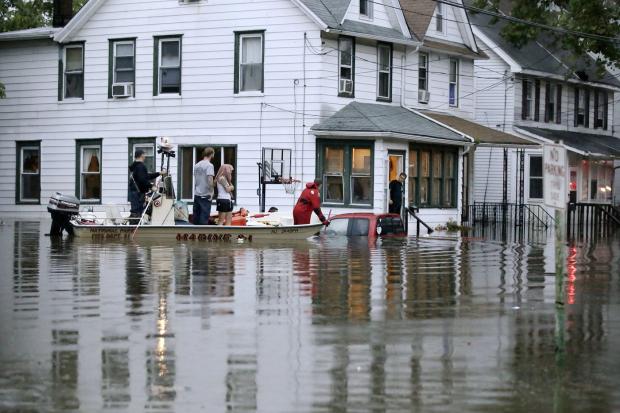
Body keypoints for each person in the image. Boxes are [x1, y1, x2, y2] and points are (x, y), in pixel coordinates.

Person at [129, 149, 163, 221]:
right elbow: (142, 179)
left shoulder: (135, 166)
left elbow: (146, 176)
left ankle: (134, 225)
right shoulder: (141, 166)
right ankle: (135, 228)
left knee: (135, 211)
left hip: (134, 192)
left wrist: (159, 173)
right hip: (138, 194)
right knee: (137, 212)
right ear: (141, 155)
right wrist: (151, 187)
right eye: (144, 154)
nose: (145, 156)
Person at [193, 147, 215, 225]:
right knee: (204, 219)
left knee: (196, 218)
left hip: (197, 194)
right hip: (205, 195)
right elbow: (210, 179)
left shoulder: (197, 165)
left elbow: (196, 179)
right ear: (211, 154)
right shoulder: (209, 165)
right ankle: (202, 236)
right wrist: (212, 192)